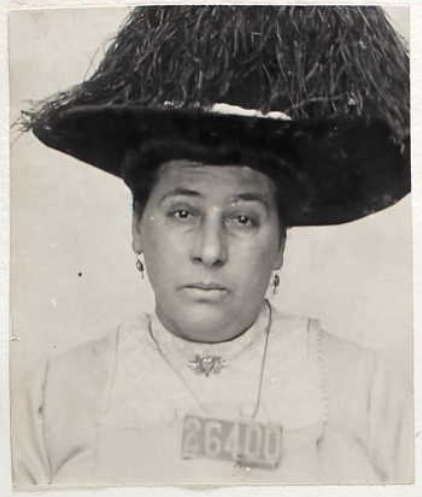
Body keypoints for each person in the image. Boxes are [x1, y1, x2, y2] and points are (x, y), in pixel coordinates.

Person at [13, 5, 411, 487]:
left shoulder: (373, 395)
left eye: (243, 219)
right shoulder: (49, 400)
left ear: (281, 242)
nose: (210, 250)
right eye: (183, 212)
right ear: (138, 226)